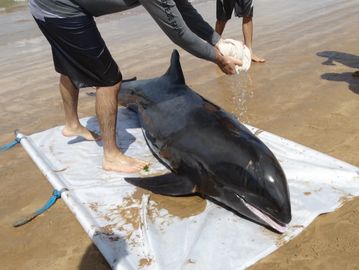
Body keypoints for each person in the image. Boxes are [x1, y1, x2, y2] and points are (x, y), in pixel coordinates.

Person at [28, 0, 241, 173]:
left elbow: (183, 9)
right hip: (60, 9)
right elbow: (180, 34)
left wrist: (216, 41)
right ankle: (111, 156)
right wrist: (218, 59)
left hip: (46, 5)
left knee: (70, 64)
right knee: (109, 81)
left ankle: (72, 125)